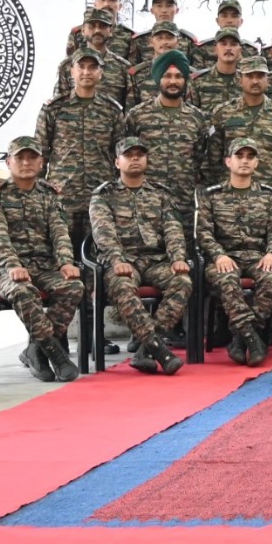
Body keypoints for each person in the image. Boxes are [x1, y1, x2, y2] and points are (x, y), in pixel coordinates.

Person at [0, 137, 84, 383]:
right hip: (5, 270)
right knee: (23, 290)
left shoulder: (49, 194)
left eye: (32, 158)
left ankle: (35, 349)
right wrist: (13, 264)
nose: (26, 163)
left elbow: (60, 232)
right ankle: (55, 354)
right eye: (20, 158)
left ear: (41, 162)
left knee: (73, 286)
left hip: (44, 266)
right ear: (9, 162)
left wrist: (65, 262)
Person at [90, 137, 193, 375]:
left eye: (140, 154)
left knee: (183, 281)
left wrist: (178, 257)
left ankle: (146, 350)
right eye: (129, 155)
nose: (135, 158)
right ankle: (159, 350)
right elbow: (103, 233)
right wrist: (117, 260)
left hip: (156, 261)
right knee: (122, 286)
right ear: (117, 162)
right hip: (123, 261)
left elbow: (173, 229)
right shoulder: (104, 195)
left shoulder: (161, 194)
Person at [196, 138, 272, 367]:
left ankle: (240, 338)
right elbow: (203, 233)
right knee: (227, 279)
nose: (244, 161)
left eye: (250, 157)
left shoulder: (268, 195)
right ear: (228, 161)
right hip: (225, 258)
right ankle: (252, 340)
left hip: (258, 257)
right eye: (239, 156)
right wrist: (219, 255)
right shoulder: (212, 195)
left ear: (256, 163)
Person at [35, 49, 123, 253]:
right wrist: (38, 194)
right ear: (72, 72)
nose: (86, 72)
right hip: (63, 194)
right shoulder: (54, 108)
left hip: (99, 195)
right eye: (81, 67)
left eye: (93, 67)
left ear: (101, 73)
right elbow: (40, 152)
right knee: (62, 254)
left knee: (97, 254)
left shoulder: (112, 110)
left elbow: (119, 154)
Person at [122, 50, 210, 224]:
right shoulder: (137, 115)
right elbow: (126, 157)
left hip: (183, 204)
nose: (173, 81)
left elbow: (200, 158)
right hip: (146, 204)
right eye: (167, 76)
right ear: (158, 79)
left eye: (178, 76)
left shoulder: (198, 118)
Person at [206, 56, 272, 197]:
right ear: (240, 79)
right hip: (230, 195)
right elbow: (213, 157)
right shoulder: (223, 112)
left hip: (269, 193)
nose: (255, 81)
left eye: (260, 76)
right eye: (250, 76)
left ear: (268, 79)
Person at [54, 8, 131, 106]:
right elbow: (57, 105)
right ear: (83, 31)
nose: (97, 30)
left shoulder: (123, 67)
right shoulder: (67, 66)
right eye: (92, 26)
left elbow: (129, 108)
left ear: (110, 31)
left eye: (102, 26)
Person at [65, 0, 134, 62]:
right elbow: (69, 65)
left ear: (120, 6)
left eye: (112, 0)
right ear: (95, 4)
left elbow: (132, 67)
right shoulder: (78, 33)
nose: (106, 4)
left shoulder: (129, 35)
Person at [189, 27, 246, 111]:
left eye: (233, 44)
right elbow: (191, 113)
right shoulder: (198, 80)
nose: (228, 48)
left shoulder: (246, 80)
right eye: (223, 44)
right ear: (215, 49)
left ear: (240, 50)